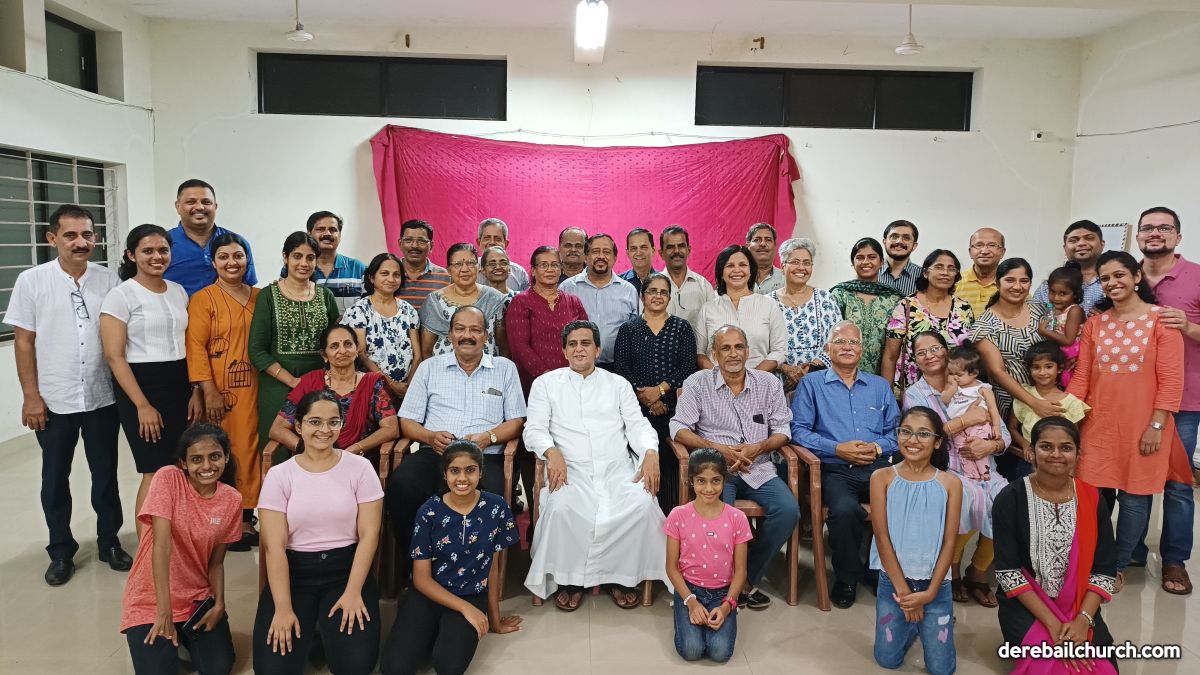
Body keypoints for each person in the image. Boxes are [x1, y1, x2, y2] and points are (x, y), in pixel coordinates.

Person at [9, 204, 126, 585]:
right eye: (71, 235)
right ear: (52, 238)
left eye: (87, 235)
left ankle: (109, 542)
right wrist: (31, 397)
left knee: (105, 476)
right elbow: (24, 342)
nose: (80, 242)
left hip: (101, 397)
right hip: (54, 399)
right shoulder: (32, 281)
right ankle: (60, 551)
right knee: (55, 479)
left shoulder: (108, 280)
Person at [1067, 250, 1191, 592]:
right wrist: (1066, 418)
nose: (1112, 283)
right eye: (1105, 278)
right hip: (1098, 424)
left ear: (1136, 277)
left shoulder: (1162, 321)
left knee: (1134, 500)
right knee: (1091, 497)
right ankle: (1094, 560)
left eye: (1119, 275)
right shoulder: (1095, 324)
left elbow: (1171, 380)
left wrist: (1156, 425)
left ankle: (1117, 566)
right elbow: (1082, 377)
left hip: (1144, 426)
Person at [524, 320, 667, 610]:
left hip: (616, 469)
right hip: (570, 469)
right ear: (564, 351)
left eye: (586, 343)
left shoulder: (617, 384)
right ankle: (571, 581)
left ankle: (621, 578)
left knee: (641, 506)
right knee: (562, 508)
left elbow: (637, 425)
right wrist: (552, 452)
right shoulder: (546, 384)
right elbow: (534, 428)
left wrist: (651, 452)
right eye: (573, 344)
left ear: (598, 349)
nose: (579, 349)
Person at [385, 306, 526, 585]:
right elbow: (407, 421)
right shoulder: (429, 368)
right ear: (449, 335)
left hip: (484, 457)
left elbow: (516, 421)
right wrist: (429, 437)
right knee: (403, 486)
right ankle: (417, 567)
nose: (467, 335)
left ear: (486, 336)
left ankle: (477, 576)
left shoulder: (504, 369)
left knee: (492, 496)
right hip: (436, 454)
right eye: (460, 329)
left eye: (475, 330)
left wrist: (489, 437)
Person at [253, 390, 384, 675]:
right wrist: (283, 608)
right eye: (315, 422)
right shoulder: (280, 475)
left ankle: (324, 632)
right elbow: (274, 547)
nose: (324, 430)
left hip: (345, 570)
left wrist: (353, 592)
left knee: (355, 667)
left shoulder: (361, 468)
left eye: (333, 422)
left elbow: (369, 535)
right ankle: (314, 629)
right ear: (299, 426)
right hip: (295, 572)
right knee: (273, 670)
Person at [672, 325, 797, 610]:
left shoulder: (768, 383)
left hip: (759, 467)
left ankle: (744, 579)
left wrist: (758, 447)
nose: (733, 354)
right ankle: (721, 582)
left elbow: (783, 429)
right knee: (719, 517)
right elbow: (678, 427)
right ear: (714, 354)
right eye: (725, 348)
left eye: (738, 347)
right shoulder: (698, 383)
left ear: (748, 351)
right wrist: (716, 450)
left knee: (788, 510)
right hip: (717, 473)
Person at [380, 441, 521, 675]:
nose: (462, 478)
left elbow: (493, 568)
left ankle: (437, 633)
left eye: (470, 470)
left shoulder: (496, 507)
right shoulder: (428, 512)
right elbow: (421, 579)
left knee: (449, 666)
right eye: (455, 470)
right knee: (395, 668)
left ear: (480, 472)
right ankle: (422, 626)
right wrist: (465, 609)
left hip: (471, 593)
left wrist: (494, 620)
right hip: (428, 594)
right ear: (445, 474)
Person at [993, 417, 1118, 674]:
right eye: (1046, 446)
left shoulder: (1093, 499)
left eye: (1066, 448)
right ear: (1031, 451)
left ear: (1078, 454)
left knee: (1101, 669)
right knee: (1054, 667)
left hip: (1079, 604)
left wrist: (1083, 620)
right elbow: (1008, 573)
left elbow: (1104, 570)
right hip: (1026, 605)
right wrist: (1052, 624)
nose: (1056, 454)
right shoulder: (1011, 498)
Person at [791, 321, 900, 609]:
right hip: (834, 468)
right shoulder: (812, 384)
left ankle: (879, 571)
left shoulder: (879, 386)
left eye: (853, 342)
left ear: (862, 350)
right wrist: (837, 449)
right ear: (828, 349)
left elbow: (896, 433)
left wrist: (876, 447)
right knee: (844, 510)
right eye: (840, 342)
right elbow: (798, 431)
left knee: (902, 502)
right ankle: (847, 578)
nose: (847, 347)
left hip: (877, 466)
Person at [120, 424, 240, 675]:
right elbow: (161, 546)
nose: (206, 466)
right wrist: (164, 613)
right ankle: (172, 639)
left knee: (218, 668)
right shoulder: (168, 478)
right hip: (151, 599)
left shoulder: (232, 499)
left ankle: (185, 640)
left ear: (226, 457)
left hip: (196, 598)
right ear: (183, 463)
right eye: (196, 459)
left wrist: (219, 605)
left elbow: (216, 562)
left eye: (215, 456)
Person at [902, 331, 1010, 608]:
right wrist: (966, 420)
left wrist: (992, 445)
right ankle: (951, 569)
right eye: (921, 352)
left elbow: (1003, 433)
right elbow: (921, 438)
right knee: (971, 502)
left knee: (1009, 503)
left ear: (946, 351)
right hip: (944, 468)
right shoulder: (915, 394)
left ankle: (978, 570)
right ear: (915, 360)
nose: (929, 355)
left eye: (935, 348)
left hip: (985, 466)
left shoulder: (977, 386)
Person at [101, 223, 196, 527]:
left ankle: (174, 539)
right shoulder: (121, 295)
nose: (157, 256)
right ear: (132, 255)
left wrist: (195, 390)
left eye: (163, 250)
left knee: (179, 465)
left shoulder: (178, 291)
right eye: (148, 251)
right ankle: (147, 547)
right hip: (141, 386)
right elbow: (114, 356)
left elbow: (188, 344)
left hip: (179, 383)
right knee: (154, 470)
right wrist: (142, 405)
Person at [868, 407, 962, 675]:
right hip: (893, 583)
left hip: (935, 585)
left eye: (923, 434)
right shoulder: (882, 477)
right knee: (887, 660)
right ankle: (912, 625)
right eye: (906, 432)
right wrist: (904, 594)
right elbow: (882, 537)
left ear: (937, 442)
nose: (912, 440)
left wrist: (930, 593)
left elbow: (949, 542)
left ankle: (923, 623)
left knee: (942, 670)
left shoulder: (951, 483)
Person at [1135, 206, 1198, 595]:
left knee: (1177, 483)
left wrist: (1188, 326)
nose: (1155, 233)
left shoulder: (1196, 276)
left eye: (1164, 228)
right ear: (1138, 236)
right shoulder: (1128, 274)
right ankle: (1133, 550)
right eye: (1148, 228)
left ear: (1178, 236)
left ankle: (1174, 559)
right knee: (1135, 478)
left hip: (1185, 400)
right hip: (1133, 397)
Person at [185, 233, 262, 550]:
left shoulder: (260, 297)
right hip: (220, 391)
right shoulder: (203, 299)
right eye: (224, 257)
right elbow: (196, 347)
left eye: (238, 256)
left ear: (247, 259)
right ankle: (222, 520)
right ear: (213, 261)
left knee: (252, 451)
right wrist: (208, 390)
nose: (232, 262)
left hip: (258, 387)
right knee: (224, 451)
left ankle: (246, 518)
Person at [248, 231, 339, 462]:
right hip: (278, 385)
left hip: (319, 383)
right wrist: (293, 382)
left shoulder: (325, 296)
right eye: (297, 256)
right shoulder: (268, 296)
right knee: (279, 453)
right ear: (285, 257)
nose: (304, 263)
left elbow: (333, 342)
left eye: (310, 258)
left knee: (320, 443)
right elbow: (257, 350)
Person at [969, 257, 1058, 480]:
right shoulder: (985, 325)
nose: (1017, 286)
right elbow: (997, 372)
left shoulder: (1040, 311)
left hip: (1047, 397)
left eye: (1024, 281)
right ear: (998, 282)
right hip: (1009, 406)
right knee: (1015, 471)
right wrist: (1034, 403)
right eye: (1010, 280)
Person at [614, 273, 697, 512]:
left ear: (669, 298)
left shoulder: (681, 328)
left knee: (671, 466)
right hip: (635, 410)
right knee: (638, 465)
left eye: (663, 292)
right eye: (652, 291)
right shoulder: (629, 329)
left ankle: (671, 518)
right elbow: (621, 368)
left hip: (674, 410)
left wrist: (660, 391)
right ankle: (641, 517)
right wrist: (647, 397)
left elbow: (688, 366)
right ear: (642, 296)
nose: (658, 296)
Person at [664, 449, 752, 663]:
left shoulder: (738, 518)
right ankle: (683, 611)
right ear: (691, 482)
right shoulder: (678, 515)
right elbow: (671, 567)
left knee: (720, 653)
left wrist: (727, 606)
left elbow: (741, 571)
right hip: (689, 590)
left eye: (716, 481)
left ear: (724, 480)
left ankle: (714, 618)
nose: (709, 488)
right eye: (701, 481)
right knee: (692, 651)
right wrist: (690, 602)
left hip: (723, 593)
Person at [268, 325, 400, 465]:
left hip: (358, 461)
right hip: (314, 461)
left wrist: (356, 448)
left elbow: (391, 428)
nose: (342, 351)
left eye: (348, 344)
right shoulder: (309, 383)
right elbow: (277, 429)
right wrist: (308, 449)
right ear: (324, 355)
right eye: (334, 346)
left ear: (356, 349)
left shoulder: (373, 384)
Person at [880, 249, 975, 394]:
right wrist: (886, 396)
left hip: (956, 392)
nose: (945, 272)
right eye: (939, 267)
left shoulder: (964, 308)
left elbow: (969, 354)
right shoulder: (906, 306)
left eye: (951, 269)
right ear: (925, 273)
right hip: (913, 392)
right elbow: (890, 356)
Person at [506, 246, 589, 395]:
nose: (550, 269)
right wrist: (547, 377)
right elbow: (519, 347)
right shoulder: (521, 302)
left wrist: (580, 374)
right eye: (543, 265)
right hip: (536, 384)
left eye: (554, 265)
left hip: (573, 382)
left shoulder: (573, 302)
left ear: (561, 269)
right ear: (533, 271)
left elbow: (587, 340)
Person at [342, 252, 422, 399]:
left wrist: (408, 387)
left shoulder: (408, 310)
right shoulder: (358, 310)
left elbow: (417, 355)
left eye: (396, 275)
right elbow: (361, 354)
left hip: (407, 389)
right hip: (373, 389)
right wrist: (391, 384)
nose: (391, 279)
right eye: (384, 273)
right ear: (372, 277)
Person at [695, 245, 787, 373]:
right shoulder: (708, 308)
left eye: (742, 265)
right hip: (716, 381)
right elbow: (700, 353)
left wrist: (750, 378)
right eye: (730, 266)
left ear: (751, 271)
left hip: (760, 380)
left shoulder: (769, 305)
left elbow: (779, 350)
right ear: (721, 273)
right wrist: (720, 377)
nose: (737, 270)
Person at [768, 238, 842, 391]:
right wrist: (786, 368)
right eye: (795, 262)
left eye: (807, 263)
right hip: (777, 383)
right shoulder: (767, 302)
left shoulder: (826, 299)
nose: (801, 267)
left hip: (820, 382)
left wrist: (810, 369)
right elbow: (758, 346)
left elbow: (838, 340)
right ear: (782, 266)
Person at [558, 234, 639, 369]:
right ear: (586, 256)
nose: (601, 256)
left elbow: (636, 333)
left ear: (615, 258)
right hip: (577, 366)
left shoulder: (629, 290)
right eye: (595, 251)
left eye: (606, 252)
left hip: (618, 367)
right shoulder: (567, 288)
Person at [164, 179, 257, 296]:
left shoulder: (237, 244)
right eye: (191, 202)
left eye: (206, 202)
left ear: (215, 206)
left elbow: (247, 288)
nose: (199, 207)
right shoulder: (163, 245)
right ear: (178, 206)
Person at [419, 243, 508, 359]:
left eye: (470, 263)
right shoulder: (434, 301)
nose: (465, 269)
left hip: (487, 368)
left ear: (478, 267)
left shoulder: (495, 299)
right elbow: (426, 350)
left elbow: (504, 347)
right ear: (449, 270)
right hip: (443, 368)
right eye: (458, 264)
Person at [830, 237, 903, 375]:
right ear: (853, 262)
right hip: (842, 373)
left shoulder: (894, 299)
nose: (865, 262)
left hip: (882, 375)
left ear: (881, 262)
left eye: (872, 257)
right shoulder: (840, 294)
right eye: (860, 257)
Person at [1009, 342, 1091, 462]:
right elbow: (1011, 428)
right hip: (1029, 460)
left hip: (1057, 462)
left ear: (1060, 369)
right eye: (1036, 367)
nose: (1042, 372)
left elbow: (1074, 438)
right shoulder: (1024, 395)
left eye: (1048, 367)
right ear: (1029, 370)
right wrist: (1025, 444)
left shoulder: (1071, 402)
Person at [941, 345, 1003, 481]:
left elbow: (993, 409)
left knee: (978, 447)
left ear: (974, 373)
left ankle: (984, 472)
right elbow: (944, 400)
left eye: (959, 374)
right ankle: (971, 475)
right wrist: (952, 389)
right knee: (962, 450)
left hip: (979, 425)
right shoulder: (952, 387)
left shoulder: (982, 389)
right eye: (951, 373)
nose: (954, 377)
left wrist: (996, 426)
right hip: (957, 427)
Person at [1033, 220, 1106, 314]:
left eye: (1089, 238)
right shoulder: (1047, 287)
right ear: (1065, 248)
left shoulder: (1114, 282)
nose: (1081, 243)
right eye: (1073, 240)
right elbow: (1034, 318)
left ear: (1102, 244)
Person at [304, 211, 366, 315]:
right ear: (309, 234)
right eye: (320, 229)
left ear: (340, 235)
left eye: (333, 230)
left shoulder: (357, 268)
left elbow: (370, 307)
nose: (327, 233)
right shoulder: (299, 268)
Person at [1035, 265, 1085, 388]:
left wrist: (1044, 331)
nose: (1056, 298)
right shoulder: (1054, 309)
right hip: (1059, 354)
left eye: (1063, 294)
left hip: (1071, 356)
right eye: (1052, 292)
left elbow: (1068, 340)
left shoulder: (1074, 310)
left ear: (1075, 294)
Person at [659, 225, 715, 329]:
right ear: (661, 253)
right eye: (670, 247)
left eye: (681, 246)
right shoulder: (651, 287)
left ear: (688, 250)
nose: (676, 251)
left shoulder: (704, 286)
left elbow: (713, 326)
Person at [395, 219, 450, 312]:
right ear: (400, 244)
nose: (414, 246)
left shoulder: (445, 277)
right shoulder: (390, 274)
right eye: (408, 240)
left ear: (431, 246)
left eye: (421, 241)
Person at [954, 227, 1006, 319]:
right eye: (979, 245)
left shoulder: (1012, 284)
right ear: (970, 252)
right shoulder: (955, 281)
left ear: (1002, 252)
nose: (985, 251)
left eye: (992, 245)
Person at [474, 217, 530, 292]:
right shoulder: (469, 271)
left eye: (498, 239)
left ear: (506, 244)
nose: (492, 242)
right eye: (487, 238)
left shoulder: (519, 273)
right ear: (478, 242)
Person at [877, 219, 922, 297]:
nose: (899, 241)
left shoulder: (924, 276)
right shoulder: (870, 272)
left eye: (906, 238)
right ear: (884, 242)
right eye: (894, 237)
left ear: (914, 246)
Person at [618, 227, 660, 296]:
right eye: (633, 248)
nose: (639, 253)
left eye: (643, 247)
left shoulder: (665, 281)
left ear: (653, 250)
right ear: (628, 253)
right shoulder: (619, 283)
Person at [746, 223, 784, 294]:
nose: (763, 244)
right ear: (747, 246)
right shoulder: (737, 277)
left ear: (775, 246)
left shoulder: (786, 279)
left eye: (768, 240)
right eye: (757, 240)